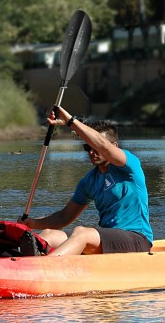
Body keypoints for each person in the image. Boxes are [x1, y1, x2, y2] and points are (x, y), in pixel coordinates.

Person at [20, 106, 153, 256]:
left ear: (114, 146)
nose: (91, 152)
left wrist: (70, 121)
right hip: (107, 241)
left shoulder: (129, 166)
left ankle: (44, 267)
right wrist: (32, 223)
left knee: (81, 233)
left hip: (137, 241)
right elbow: (64, 217)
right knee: (51, 234)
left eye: (95, 147)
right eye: (87, 147)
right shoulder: (89, 180)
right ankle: (15, 262)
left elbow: (104, 146)